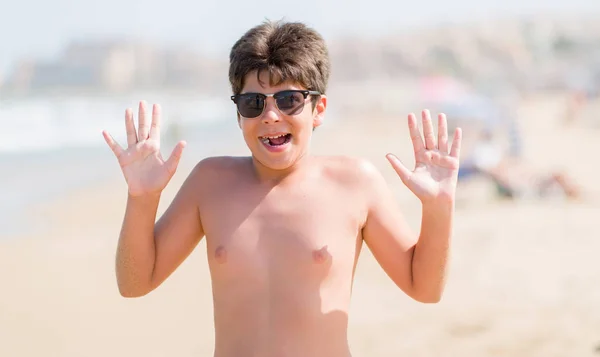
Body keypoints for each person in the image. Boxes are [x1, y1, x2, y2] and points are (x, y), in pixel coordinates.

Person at [102, 20, 462, 357]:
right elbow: (135, 283)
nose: (271, 116)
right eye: (253, 103)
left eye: (289, 99)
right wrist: (142, 198)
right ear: (239, 114)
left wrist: (438, 208)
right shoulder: (209, 183)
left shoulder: (355, 183)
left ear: (318, 108)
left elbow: (424, 288)